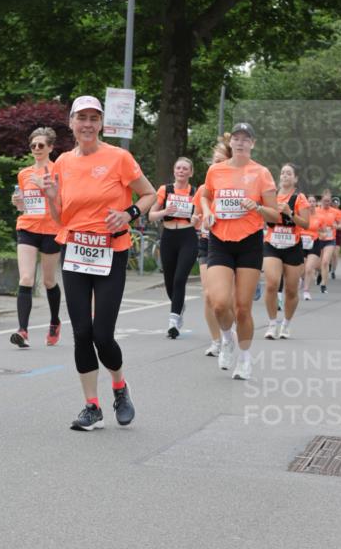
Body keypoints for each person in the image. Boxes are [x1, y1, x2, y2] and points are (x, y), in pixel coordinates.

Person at [43, 96, 155, 431]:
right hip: (76, 252)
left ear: (101, 124)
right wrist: (50, 197)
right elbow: (60, 217)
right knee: (81, 333)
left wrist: (128, 214)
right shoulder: (62, 162)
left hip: (111, 252)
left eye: (94, 118)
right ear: (71, 123)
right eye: (82, 118)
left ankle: (119, 387)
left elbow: (149, 194)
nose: (88, 124)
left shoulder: (119, 158)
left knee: (103, 334)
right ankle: (91, 406)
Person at [200, 122, 279, 380]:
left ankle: (244, 359)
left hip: (249, 242)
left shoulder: (261, 173)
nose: (242, 142)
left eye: (247, 138)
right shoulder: (216, 170)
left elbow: (275, 215)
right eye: (237, 138)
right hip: (220, 240)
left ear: (252, 144)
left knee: (242, 307)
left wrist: (256, 207)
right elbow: (205, 196)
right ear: (230, 142)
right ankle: (226, 338)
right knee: (219, 303)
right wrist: (209, 211)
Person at [10, 127, 63, 347]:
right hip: (28, 227)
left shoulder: (57, 171)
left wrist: (45, 188)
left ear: (50, 147)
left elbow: (61, 203)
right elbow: (25, 204)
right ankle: (22, 331)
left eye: (41, 145)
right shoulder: (24, 174)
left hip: (51, 230)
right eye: (33, 145)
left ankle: (54, 321)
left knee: (49, 281)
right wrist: (18, 203)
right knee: (26, 279)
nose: (37, 149)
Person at [148, 157, 199, 338]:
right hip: (168, 237)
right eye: (178, 168)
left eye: (185, 169)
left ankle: (173, 322)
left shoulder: (195, 191)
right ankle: (179, 306)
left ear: (190, 172)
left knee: (179, 279)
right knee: (169, 281)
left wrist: (196, 219)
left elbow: (200, 216)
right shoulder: (165, 190)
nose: (181, 171)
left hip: (187, 237)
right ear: (174, 170)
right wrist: (164, 212)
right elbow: (151, 215)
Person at [192, 136, 232, 357]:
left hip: (230, 244)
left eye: (220, 160)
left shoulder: (235, 188)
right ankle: (217, 341)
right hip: (207, 242)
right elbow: (196, 215)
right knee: (208, 295)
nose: (214, 165)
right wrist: (195, 219)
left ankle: (229, 331)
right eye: (213, 161)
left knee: (227, 299)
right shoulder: (203, 189)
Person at [262, 163, 310, 339]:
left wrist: (290, 213)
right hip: (272, 244)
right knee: (272, 284)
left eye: (289, 173)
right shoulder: (271, 196)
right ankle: (272, 324)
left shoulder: (299, 198)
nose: (285, 176)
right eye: (282, 173)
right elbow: (262, 216)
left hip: (292, 246)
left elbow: (306, 224)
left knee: (291, 290)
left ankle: (286, 324)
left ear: (295, 178)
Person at [309, 190, 341, 295]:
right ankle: (320, 273)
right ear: (321, 200)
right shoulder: (316, 210)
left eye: (328, 201)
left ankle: (324, 284)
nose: (326, 203)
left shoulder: (335, 212)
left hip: (330, 240)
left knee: (325, 262)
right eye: (325, 201)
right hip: (318, 239)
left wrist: (337, 226)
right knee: (318, 264)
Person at [301, 194, 321, 301]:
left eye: (313, 201)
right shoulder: (301, 215)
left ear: (316, 203)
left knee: (309, 268)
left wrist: (323, 233)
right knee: (302, 269)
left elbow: (323, 229)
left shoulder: (319, 216)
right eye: (309, 201)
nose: (311, 204)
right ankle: (302, 279)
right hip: (301, 243)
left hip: (314, 243)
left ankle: (306, 291)